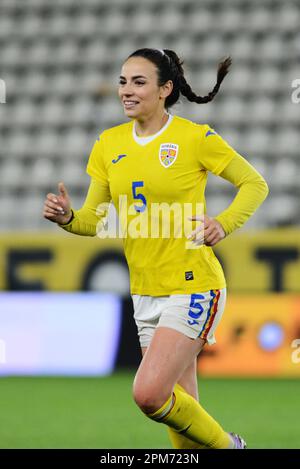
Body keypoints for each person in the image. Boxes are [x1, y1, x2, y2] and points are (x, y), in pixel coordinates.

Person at [43, 48, 268, 449]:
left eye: (138, 82)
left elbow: (255, 184)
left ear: (165, 89)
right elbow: (94, 220)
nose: (126, 91)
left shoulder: (195, 138)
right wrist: (67, 218)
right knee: (180, 413)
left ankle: (231, 448)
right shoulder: (108, 144)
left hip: (193, 284)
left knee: (148, 394)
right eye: (122, 81)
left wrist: (223, 223)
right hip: (145, 291)